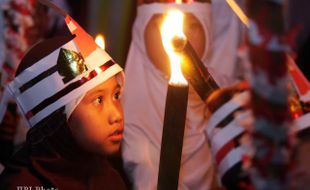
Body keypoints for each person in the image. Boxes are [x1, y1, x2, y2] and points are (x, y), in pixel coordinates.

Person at [0, 10, 126, 190]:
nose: (116, 115)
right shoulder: (23, 185)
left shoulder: (109, 179)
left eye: (116, 95)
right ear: (58, 119)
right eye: (98, 100)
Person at [122, 0, 226, 189]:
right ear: (140, 32)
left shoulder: (225, 90)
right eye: (161, 26)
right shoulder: (127, 104)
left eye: (192, 26)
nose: (178, 40)